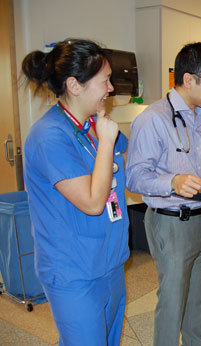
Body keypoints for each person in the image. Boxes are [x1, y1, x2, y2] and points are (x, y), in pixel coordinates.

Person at [22, 39, 129, 345]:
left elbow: (134, 164)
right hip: (74, 272)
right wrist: (106, 142)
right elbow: (95, 202)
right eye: (104, 81)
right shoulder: (49, 137)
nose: (110, 88)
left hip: (109, 262)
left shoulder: (93, 125)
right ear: (74, 85)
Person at [126, 42, 201, 346]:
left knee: (199, 300)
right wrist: (173, 181)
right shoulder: (153, 119)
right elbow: (134, 177)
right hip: (170, 224)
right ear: (188, 79)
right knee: (172, 301)